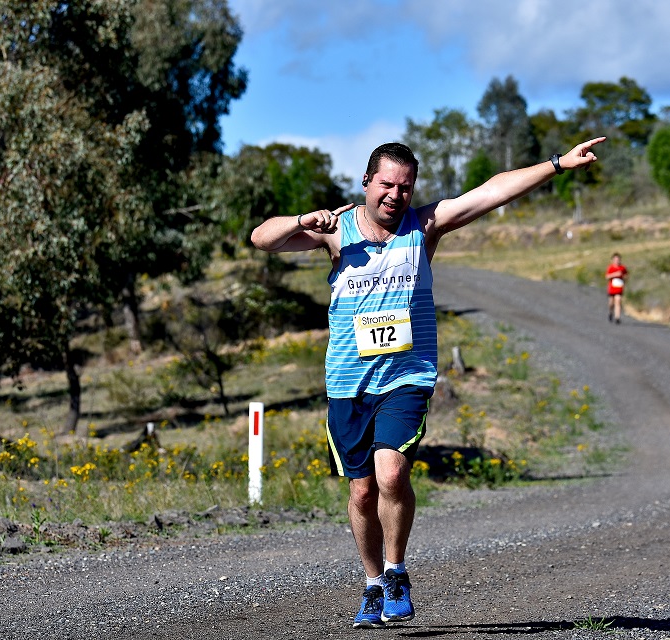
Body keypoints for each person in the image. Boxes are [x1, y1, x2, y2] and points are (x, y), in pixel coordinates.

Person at [250, 136, 606, 628]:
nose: (395, 195)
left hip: (406, 377)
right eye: (387, 185)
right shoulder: (336, 231)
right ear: (367, 183)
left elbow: (492, 191)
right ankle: (373, 584)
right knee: (360, 493)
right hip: (347, 384)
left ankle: (396, 572)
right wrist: (301, 221)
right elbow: (260, 240)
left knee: (392, 474)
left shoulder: (424, 226)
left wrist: (557, 164)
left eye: (406, 187)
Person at [605, 252, 628, 324]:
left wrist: (624, 278)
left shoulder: (623, 268)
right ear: (613, 260)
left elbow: (626, 276)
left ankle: (617, 317)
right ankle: (610, 312)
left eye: (618, 259)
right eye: (615, 259)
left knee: (618, 301)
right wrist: (615, 274)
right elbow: (607, 277)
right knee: (611, 303)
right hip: (612, 288)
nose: (617, 261)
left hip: (619, 288)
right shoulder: (610, 267)